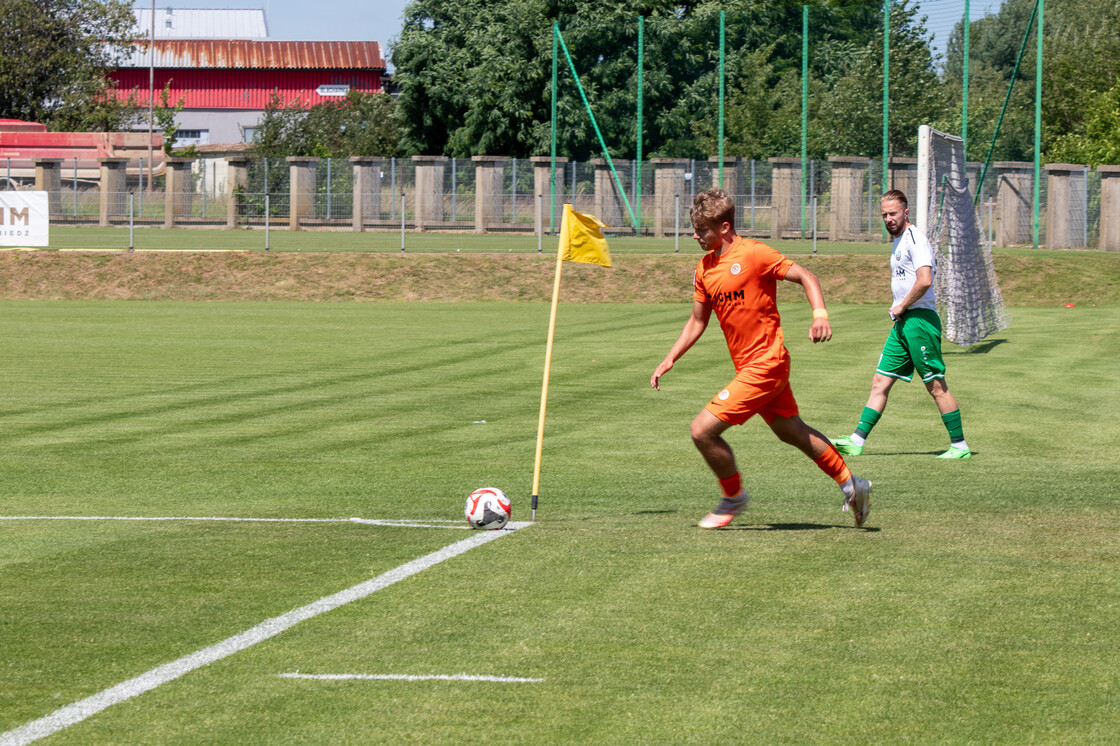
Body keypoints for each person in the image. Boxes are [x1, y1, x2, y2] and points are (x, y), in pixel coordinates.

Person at [651, 188, 871, 529]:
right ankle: (851, 484)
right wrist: (670, 359)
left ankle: (733, 497)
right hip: (755, 367)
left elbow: (806, 276)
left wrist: (820, 314)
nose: (695, 235)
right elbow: (698, 320)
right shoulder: (705, 268)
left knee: (702, 431)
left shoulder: (754, 254)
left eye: (702, 230)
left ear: (724, 228)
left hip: (766, 364)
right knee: (792, 431)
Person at [831, 189, 970, 459]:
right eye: (884, 214)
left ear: (906, 213)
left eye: (893, 213)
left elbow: (925, 279)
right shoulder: (898, 241)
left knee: (935, 385)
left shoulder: (915, 240)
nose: (888, 219)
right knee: (880, 381)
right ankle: (857, 440)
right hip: (903, 323)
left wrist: (902, 305)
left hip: (919, 321)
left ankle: (960, 446)